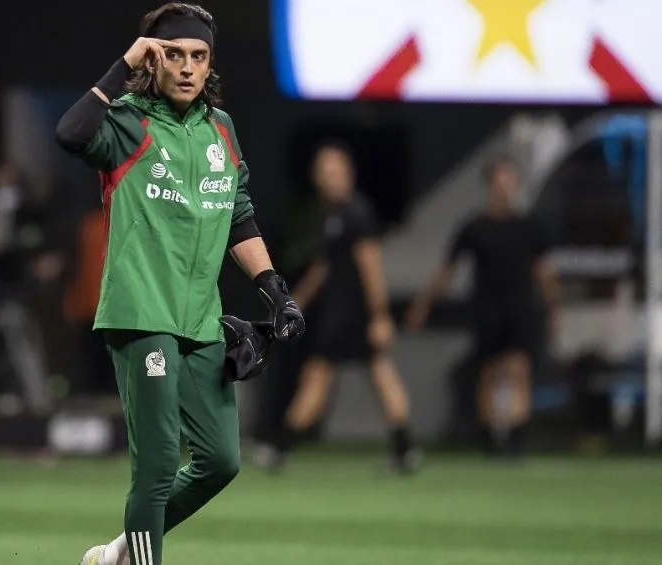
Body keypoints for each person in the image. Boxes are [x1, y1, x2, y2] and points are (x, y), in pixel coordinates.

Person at [54, 4, 305, 565]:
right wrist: (124, 65)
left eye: (199, 55)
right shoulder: (127, 122)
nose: (188, 67)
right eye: (173, 54)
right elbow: (69, 133)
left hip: (200, 317)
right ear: (153, 57)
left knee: (221, 460)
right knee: (161, 460)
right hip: (141, 312)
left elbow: (237, 215)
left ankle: (121, 549)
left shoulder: (221, 128)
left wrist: (274, 288)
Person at [252, 142, 420, 474]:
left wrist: (379, 316)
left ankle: (279, 448)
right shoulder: (333, 216)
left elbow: (371, 265)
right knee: (377, 376)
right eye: (324, 172)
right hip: (339, 312)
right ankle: (405, 451)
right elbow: (324, 267)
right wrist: (294, 300)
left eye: (336, 171)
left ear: (348, 173)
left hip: (352, 315)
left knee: (321, 376)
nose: (330, 178)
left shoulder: (357, 213)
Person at [406, 155, 559, 456]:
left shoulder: (529, 226)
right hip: (487, 309)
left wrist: (553, 307)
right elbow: (446, 271)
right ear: (490, 185)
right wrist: (423, 305)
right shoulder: (475, 227)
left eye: (509, 181)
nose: (505, 188)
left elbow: (544, 271)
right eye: (499, 181)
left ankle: (515, 435)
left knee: (518, 369)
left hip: (521, 308)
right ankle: (490, 436)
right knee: (488, 372)